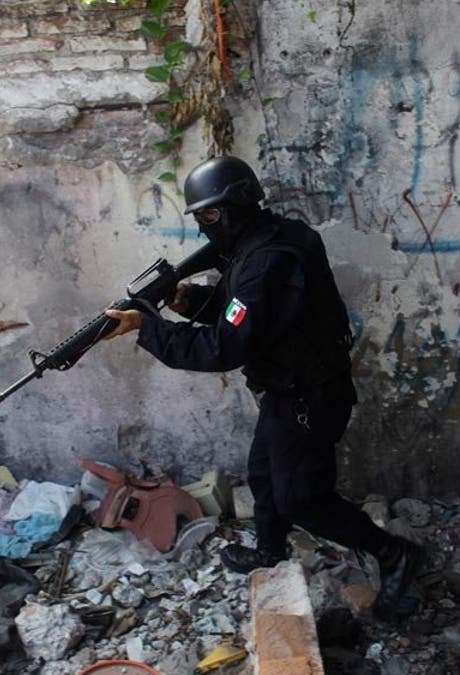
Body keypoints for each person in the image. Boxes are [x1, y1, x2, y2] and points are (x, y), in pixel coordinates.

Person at [102, 156, 423, 620]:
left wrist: (145, 327)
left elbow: (225, 347)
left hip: (309, 397)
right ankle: (270, 554)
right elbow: (249, 315)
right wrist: (186, 298)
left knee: (302, 499)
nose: (206, 226)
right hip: (289, 391)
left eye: (211, 215)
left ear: (237, 204)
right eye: (200, 217)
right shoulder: (268, 241)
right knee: (263, 475)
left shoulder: (266, 259)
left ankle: (395, 555)